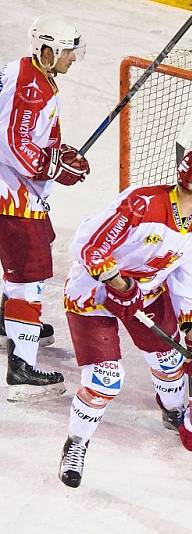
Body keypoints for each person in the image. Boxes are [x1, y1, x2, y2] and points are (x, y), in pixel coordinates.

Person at [57, 148, 192, 488]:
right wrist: (119, 283)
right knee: (105, 380)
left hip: (146, 294)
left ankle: (173, 411)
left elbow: (191, 282)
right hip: (93, 292)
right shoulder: (142, 204)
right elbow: (88, 246)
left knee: (170, 359)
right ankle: (76, 443)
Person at [0, 15, 89, 401]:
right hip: (13, 196)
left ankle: (8, 323)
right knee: (28, 275)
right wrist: (52, 165)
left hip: (12, 191)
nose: (73, 58)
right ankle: (21, 365)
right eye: (68, 51)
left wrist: (54, 152)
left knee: (19, 262)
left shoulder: (29, 73)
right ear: (47, 50)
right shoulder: (30, 86)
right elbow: (13, 142)